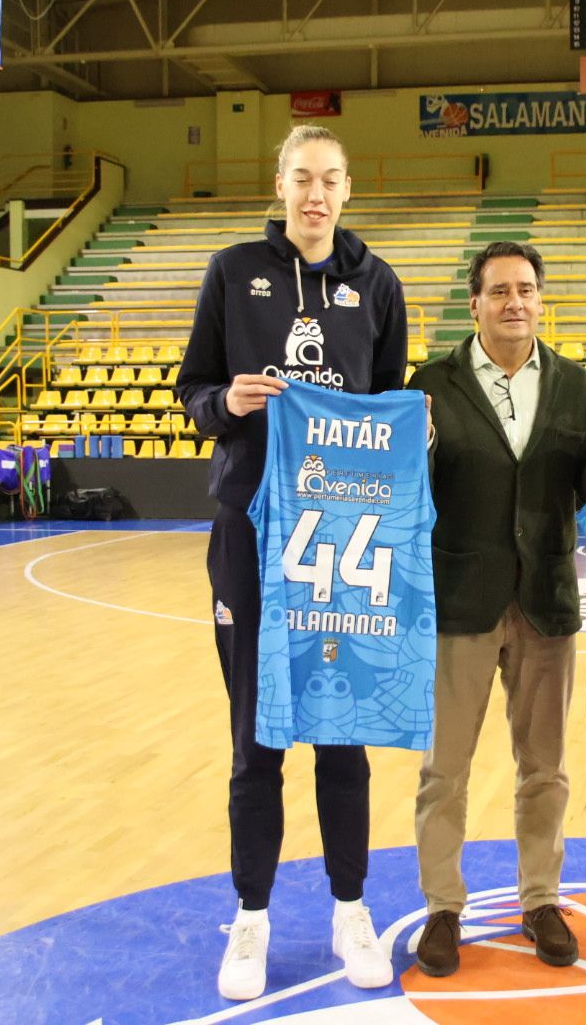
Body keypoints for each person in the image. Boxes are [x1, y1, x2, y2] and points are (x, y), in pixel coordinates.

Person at [175, 124, 408, 1002]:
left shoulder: (376, 281)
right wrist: (224, 401)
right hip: (250, 531)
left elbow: (389, 405)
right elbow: (191, 388)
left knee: (343, 735)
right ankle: (253, 917)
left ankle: (351, 908)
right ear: (279, 185)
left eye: (330, 180)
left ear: (348, 189)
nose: (316, 194)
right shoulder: (233, 271)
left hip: (345, 538)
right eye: (302, 179)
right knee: (256, 738)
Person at [408, 241, 586, 977]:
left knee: (544, 768)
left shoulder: (580, 389)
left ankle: (540, 899)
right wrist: (415, 444)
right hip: (460, 599)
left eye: (525, 289)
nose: (514, 301)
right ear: (475, 304)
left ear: (541, 300)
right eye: (499, 291)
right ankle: (442, 909)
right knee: (444, 768)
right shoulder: (430, 386)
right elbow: (408, 489)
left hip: (546, 601)